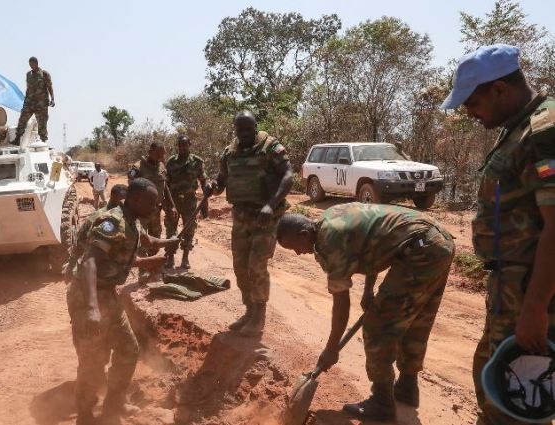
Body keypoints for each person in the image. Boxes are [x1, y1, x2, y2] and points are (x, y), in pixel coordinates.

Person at [440, 44, 555, 425]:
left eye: (472, 102)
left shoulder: (544, 130)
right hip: (510, 286)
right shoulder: (517, 129)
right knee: (495, 387)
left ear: (499, 89)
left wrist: (536, 308)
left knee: (519, 400)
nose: (470, 113)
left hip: (533, 291)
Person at [277, 203, 455, 420]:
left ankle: (382, 402)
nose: (297, 253)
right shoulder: (331, 218)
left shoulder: (330, 243)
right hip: (438, 242)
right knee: (416, 319)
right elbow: (373, 245)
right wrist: (369, 291)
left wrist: (331, 348)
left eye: (294, 246)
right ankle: (407, 388)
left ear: (304, 234)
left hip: (419, 250)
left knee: (378, 326)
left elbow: (341, 303)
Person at [67, 178, 179, 424]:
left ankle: (114, 404)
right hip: (88, 294)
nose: (155, 207)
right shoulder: (112, 223)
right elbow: (89, 262)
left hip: (109, 294)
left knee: (128, 348)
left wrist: (169, 243)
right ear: (136, 200)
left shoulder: (133, 223)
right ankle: (85, 415)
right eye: (151, 202)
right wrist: (92, 308)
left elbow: (149, 242)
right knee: (93, 360)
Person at [207, 111, 293, 337]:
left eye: (248, 129)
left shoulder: (270, 147)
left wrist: (271, 205)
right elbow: (221, 180)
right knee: (240, 265)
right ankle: (249, 310)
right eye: (240, 129)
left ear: (255, 127)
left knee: (256, 264)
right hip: (241, 216)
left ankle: (259, 316)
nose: (244, 133)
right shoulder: (229, 153)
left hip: (265, 217)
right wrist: (212, 186)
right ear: (235, 129)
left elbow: (288, 176)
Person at [63, 184, 128, 275]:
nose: (127, 202)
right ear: (114, 198)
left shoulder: (122, 216)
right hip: (91, 268)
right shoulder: (99, 216)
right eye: (124, 199)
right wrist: (71, 266)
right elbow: (80, 240)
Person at [164, 135, 207, 270]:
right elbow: (166, 184)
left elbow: (203, 181)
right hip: (174, 200)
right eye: (180, 145)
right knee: (171, 229)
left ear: (190, 145)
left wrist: (205, 203)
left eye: (185, 145)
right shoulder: (171, 161)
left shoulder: (197, 162)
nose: (182, 147)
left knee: (189, 229)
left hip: (190, 200)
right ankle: (170, 257)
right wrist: (167, 204)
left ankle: (185, 257)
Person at [128, 142, 176, 257]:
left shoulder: (161, 166)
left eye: (163, 154)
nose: (161, 156)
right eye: (158, 153)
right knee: (141, 240)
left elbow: (165, 187)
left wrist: (172, 205)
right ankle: (143, 269)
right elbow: (131, 189)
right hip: (141, 211)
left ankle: (150, 263)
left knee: (156, 239)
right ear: (150, 152)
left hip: (155, 210)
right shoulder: (138, 167)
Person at [12, 56, 54, 144]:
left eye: (32, 64)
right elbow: (28, 89)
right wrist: (25, 101)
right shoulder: (28, 75)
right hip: (29, 103)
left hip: (41, 103)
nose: (31, 66)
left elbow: (49, 87)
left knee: (42, 123)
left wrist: (52, 98)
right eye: (29, 64)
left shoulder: (44, 74)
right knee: (22, 120)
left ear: (36, 63)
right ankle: (17, 138)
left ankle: (43, 141)